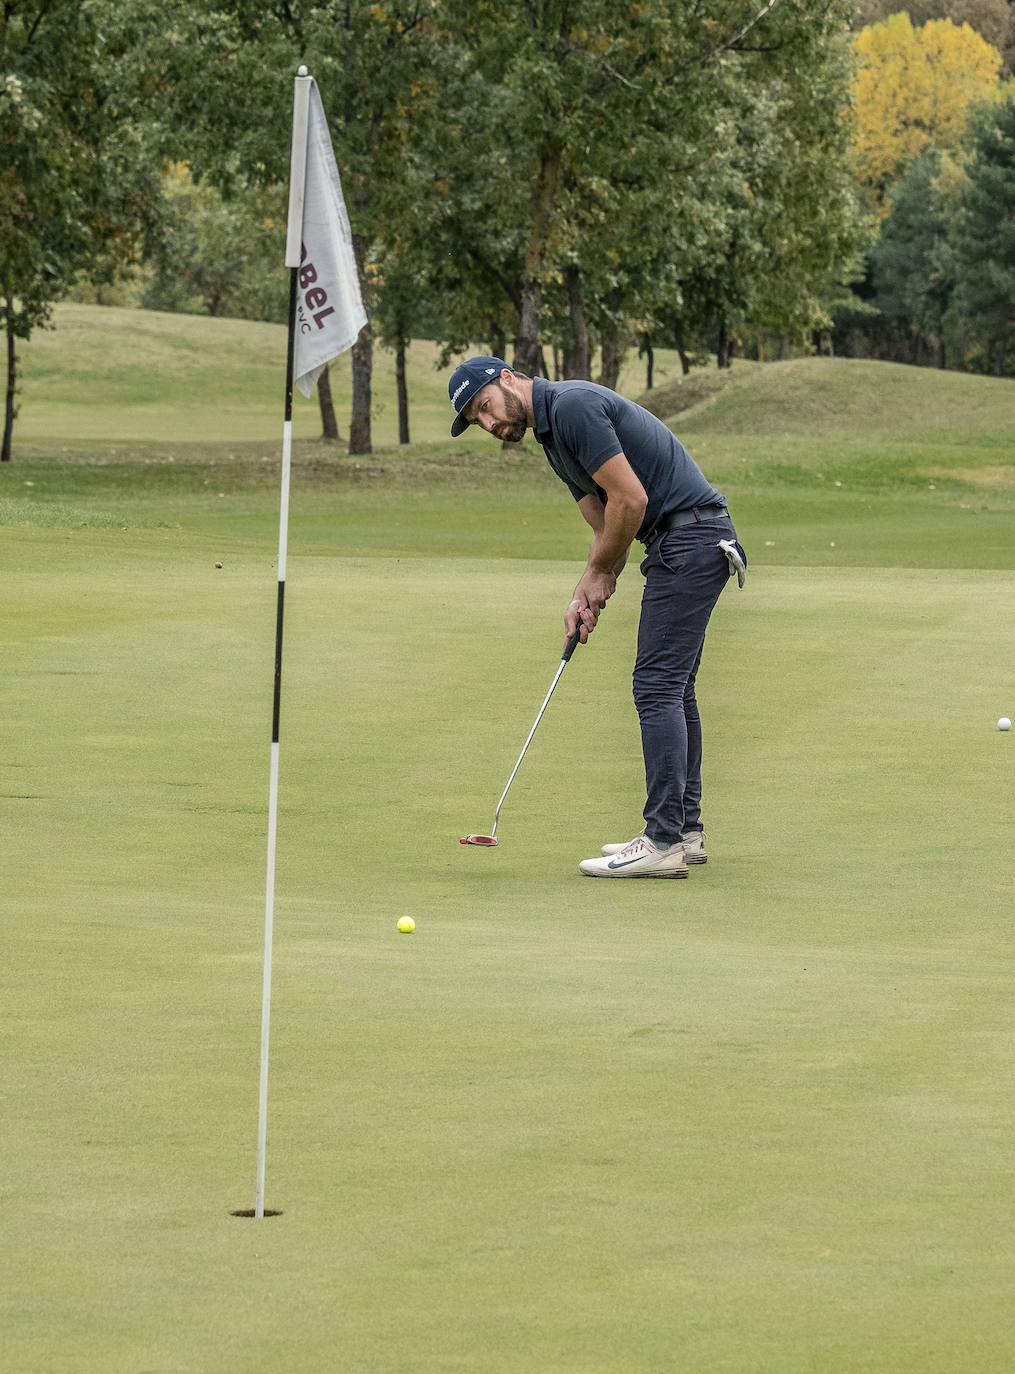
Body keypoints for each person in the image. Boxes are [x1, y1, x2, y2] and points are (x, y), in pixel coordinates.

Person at [448, 356, 746, 878]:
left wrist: (604, 572)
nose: (491, 424)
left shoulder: (574, 407)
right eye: (480, 421)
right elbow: (604, 519)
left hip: (691, 538)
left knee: (656, 686)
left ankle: (662, 840)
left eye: (487, 406)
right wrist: (589, 586)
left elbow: (631, 500)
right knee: (673, 688)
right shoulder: (553, 439)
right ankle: (684, 830)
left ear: (508, 378)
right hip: (684, 542)